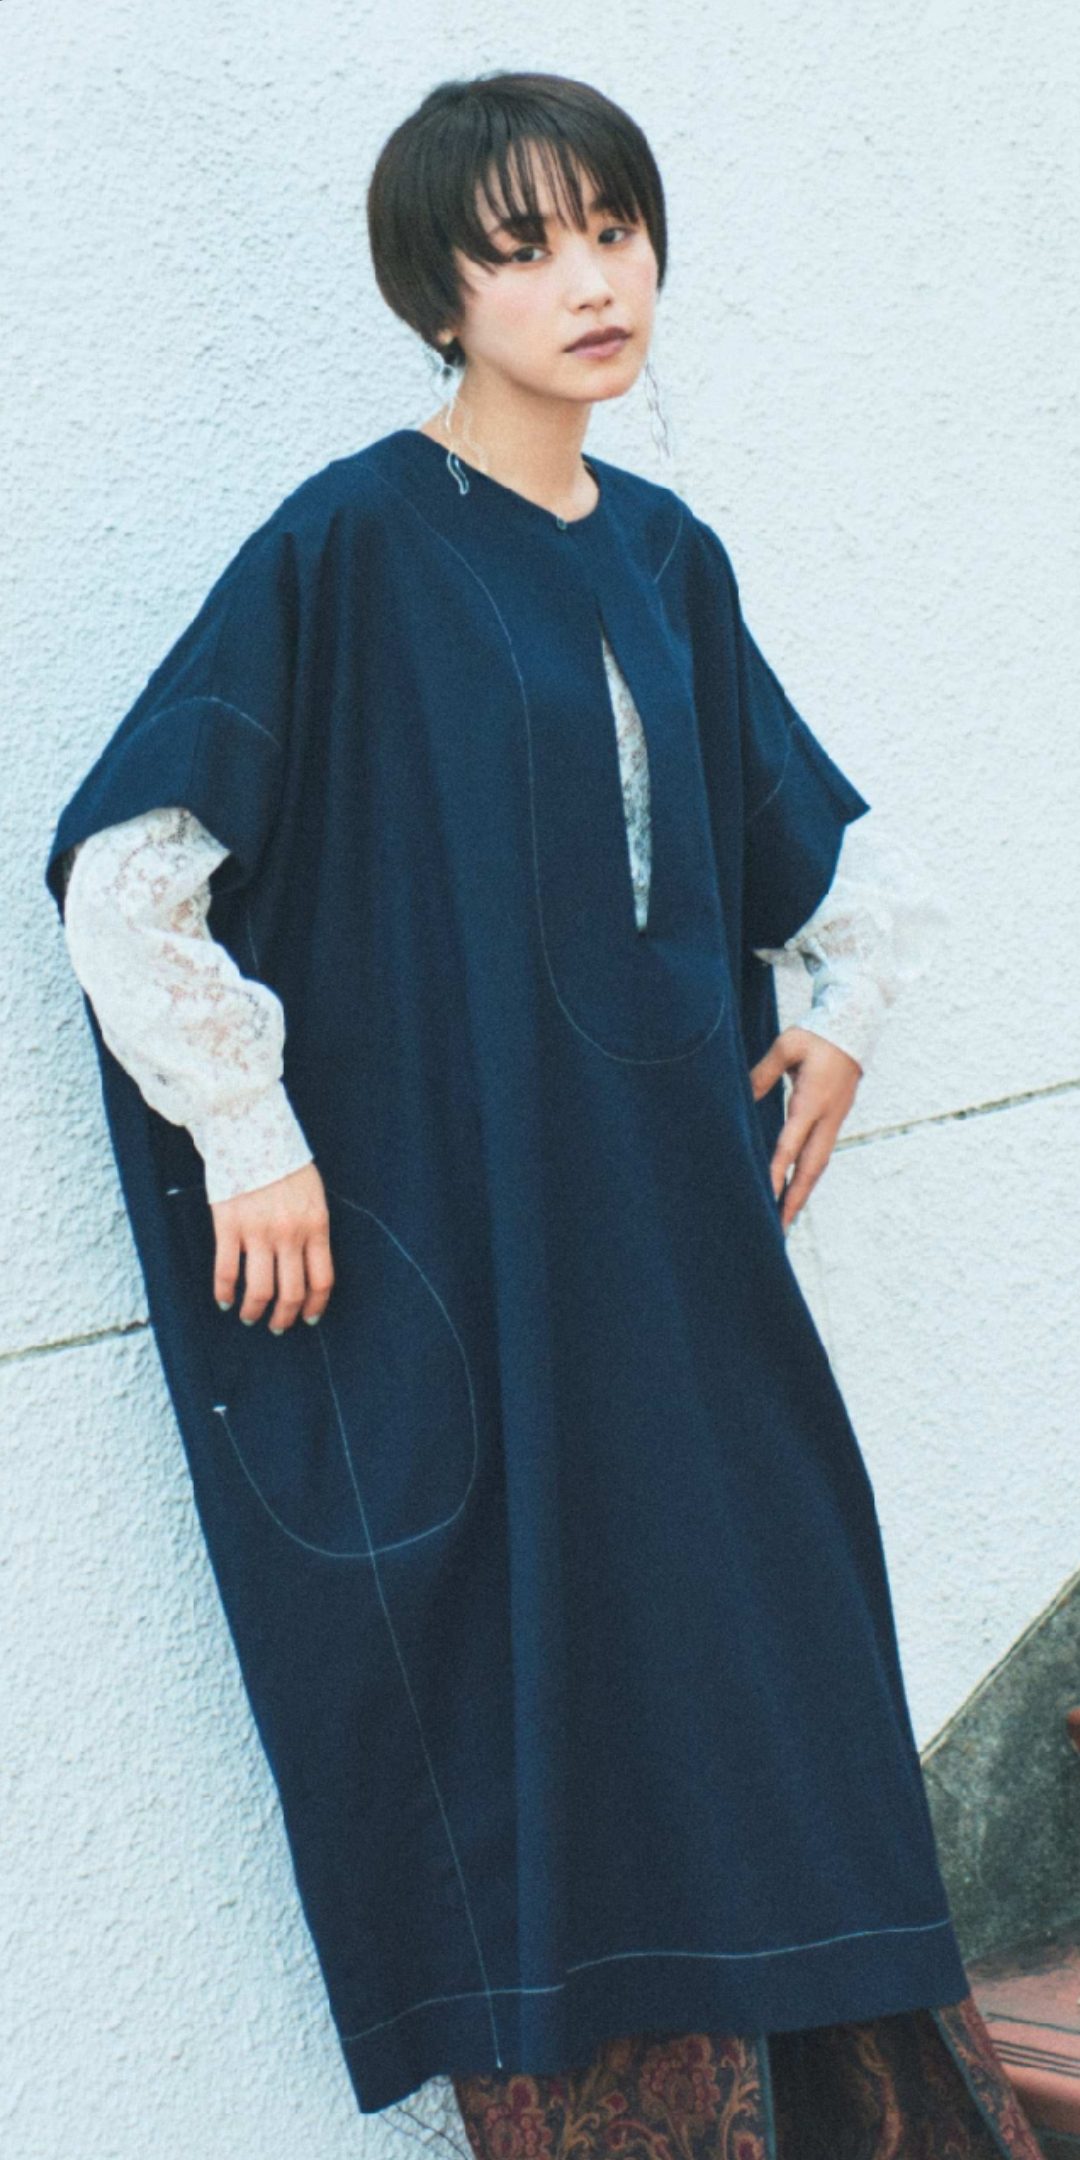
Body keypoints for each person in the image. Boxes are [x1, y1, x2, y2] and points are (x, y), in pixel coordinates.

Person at [43, 69, 1042, 2158]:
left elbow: (822, 856)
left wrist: (843, 1019)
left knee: (773, 1674)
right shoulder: (349, 546)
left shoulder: (669, 558)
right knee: (534, 1702)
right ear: (437, 296)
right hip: (471, 1242)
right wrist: (251, 1133)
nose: (590, 282)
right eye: (522, 249)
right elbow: (129, 867)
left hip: (680, 1255)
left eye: (613, 229)